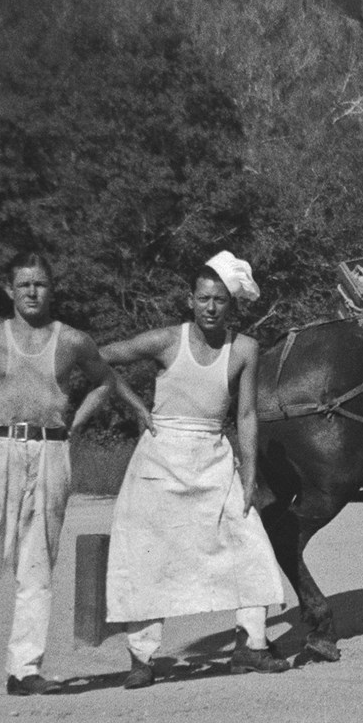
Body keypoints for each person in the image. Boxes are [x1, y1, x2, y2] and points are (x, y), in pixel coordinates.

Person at [0, 252, 115, 708]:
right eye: (24, 285)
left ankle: (25, 669)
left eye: (41, 285)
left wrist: (76, 422)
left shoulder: (72, 340)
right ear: (9, 290)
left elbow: (104, 380)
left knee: (38, 566)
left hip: (52, 452)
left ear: (52, 289)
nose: (33, 292)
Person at [99, 251, 288, 689]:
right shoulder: (168, 340)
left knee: (250, 545)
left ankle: (253, 646)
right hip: (160, 459)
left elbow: (245, 416)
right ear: (190, 300)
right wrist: (134, 405)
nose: (210, 307)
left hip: (214, 457)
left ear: (230, 304)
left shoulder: (244, 349)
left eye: (219, 299)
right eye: (203, 298)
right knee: (149, 558)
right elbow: (102, 357)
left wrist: (248, 474)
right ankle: (142, 659)